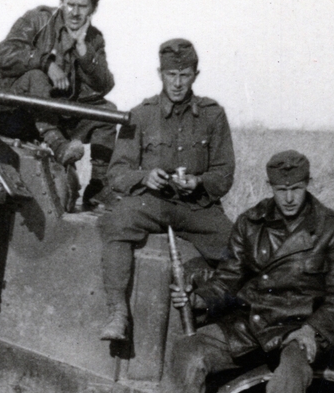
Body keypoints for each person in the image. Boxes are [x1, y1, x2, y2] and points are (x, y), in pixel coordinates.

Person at [162, 151, 334, 393]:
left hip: (299, 327)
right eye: (281, 189)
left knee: (289, 374)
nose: (288, 198)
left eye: (296, 188)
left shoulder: (332, 228)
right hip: (252, 323)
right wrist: (199, 298)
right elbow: (228, 280)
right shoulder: (250, 222)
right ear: (270, 187)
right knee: (189, 350)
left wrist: (315, 330)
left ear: (307, 185)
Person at [96, 38, 235, 342]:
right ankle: (117, 312)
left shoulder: (213, 115)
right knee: (116, 221)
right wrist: (145, 177)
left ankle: (222, 318)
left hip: (197, 208)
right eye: (171, 75)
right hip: (153, 204)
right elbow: (117, 173)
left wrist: (198, 182)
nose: (177, 83)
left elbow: (224, 174)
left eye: (184, 75)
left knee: (238, 250)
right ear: (160, 73)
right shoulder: (141, 115)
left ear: (195, 76)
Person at [0, 0, 118, 210]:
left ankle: (97, 186)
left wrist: (83, 49)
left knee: (107, 112)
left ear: (93, 9)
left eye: (82, 6)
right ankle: (58, 145)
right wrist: (46, 62)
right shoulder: (38, 20)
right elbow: (3, 54)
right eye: (70, 4)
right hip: (13, 108)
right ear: (61, 2)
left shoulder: (94, 38)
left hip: (51, 115)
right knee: (37, 77)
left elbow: (104, 85)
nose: (75, 13)